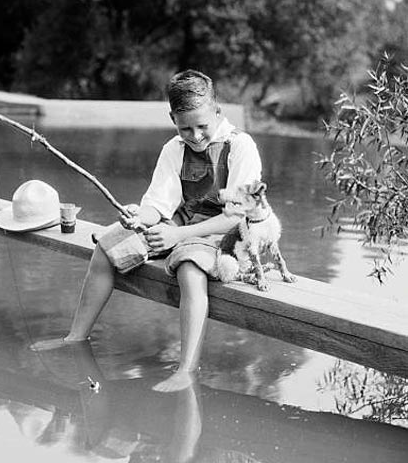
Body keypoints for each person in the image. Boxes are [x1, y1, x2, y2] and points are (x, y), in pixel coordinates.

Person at [34, 70, 262, 391]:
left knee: (189, 267)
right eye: (185, 128)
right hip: (182, 222)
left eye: (202, 126)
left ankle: (186, 368)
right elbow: (158, 205)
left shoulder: (241, 146)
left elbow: (237, 216)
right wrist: (139, 216)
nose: (195, 136)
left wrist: (177, 237)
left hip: (225, 234)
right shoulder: (173, 149)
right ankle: (76, 336)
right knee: (108, 246)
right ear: (172, 119)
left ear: (217, 112)